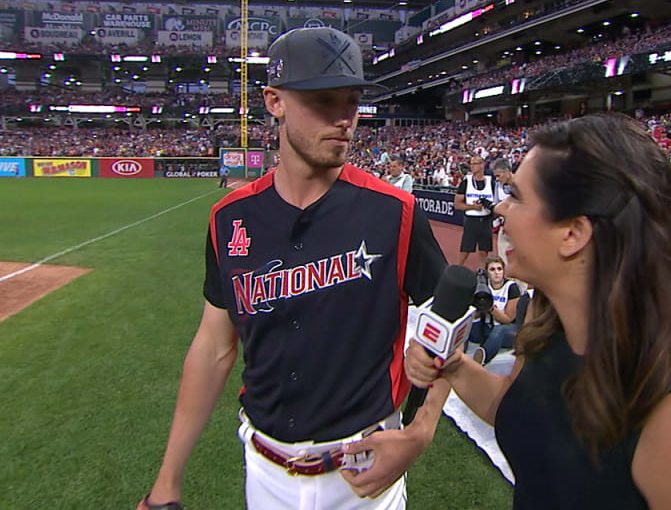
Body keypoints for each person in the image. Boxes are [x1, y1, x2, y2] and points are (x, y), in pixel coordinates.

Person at [139, 27, 449, 510]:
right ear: (274, 101)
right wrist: (167, 481)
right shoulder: (230, 218)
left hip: (365, 476)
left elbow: (452, 325)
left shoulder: (395, 212)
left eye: (351, 100)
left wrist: (422, 431)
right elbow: (214, 347)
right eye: (323, 100)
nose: (344, 118)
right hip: (265, 473)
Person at [406, 115, 671, 510]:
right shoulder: (549, 326)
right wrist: (454, 366)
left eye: (520, 198)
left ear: (573, 233)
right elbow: (519, 412)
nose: (503, 208)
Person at [468, 255, 521, 366]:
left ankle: (481, 360)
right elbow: (475, 316)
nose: (496, 272)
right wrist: (477, 304)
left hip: (508, 331)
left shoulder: (511, 288)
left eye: (499, 269)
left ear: (503, 271)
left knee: (499, 330)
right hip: (486, 328)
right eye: (492, 269)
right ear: (487, 273)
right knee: (468, 325)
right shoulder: (483, 286)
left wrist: (489, 307)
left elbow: (508, 319)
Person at [454, 155, 494, 267]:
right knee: (465, 251)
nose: (473, 166)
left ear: (482, 165)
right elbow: (457, 204)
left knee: (484, 251)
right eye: (471, 164)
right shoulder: (466, 182)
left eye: (475, 163)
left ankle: (483, 274)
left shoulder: (491, 182)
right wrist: (473, 207)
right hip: (471, 220)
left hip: (486, 220)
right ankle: (455, 272)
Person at [491, 158, 514, 266]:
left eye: (498, 176)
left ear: (507, 172)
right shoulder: (498, 186)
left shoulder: (523, 184)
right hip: (503, 228)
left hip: (520, 231)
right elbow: (496, 206)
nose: (497, 179)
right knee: (503, 261)